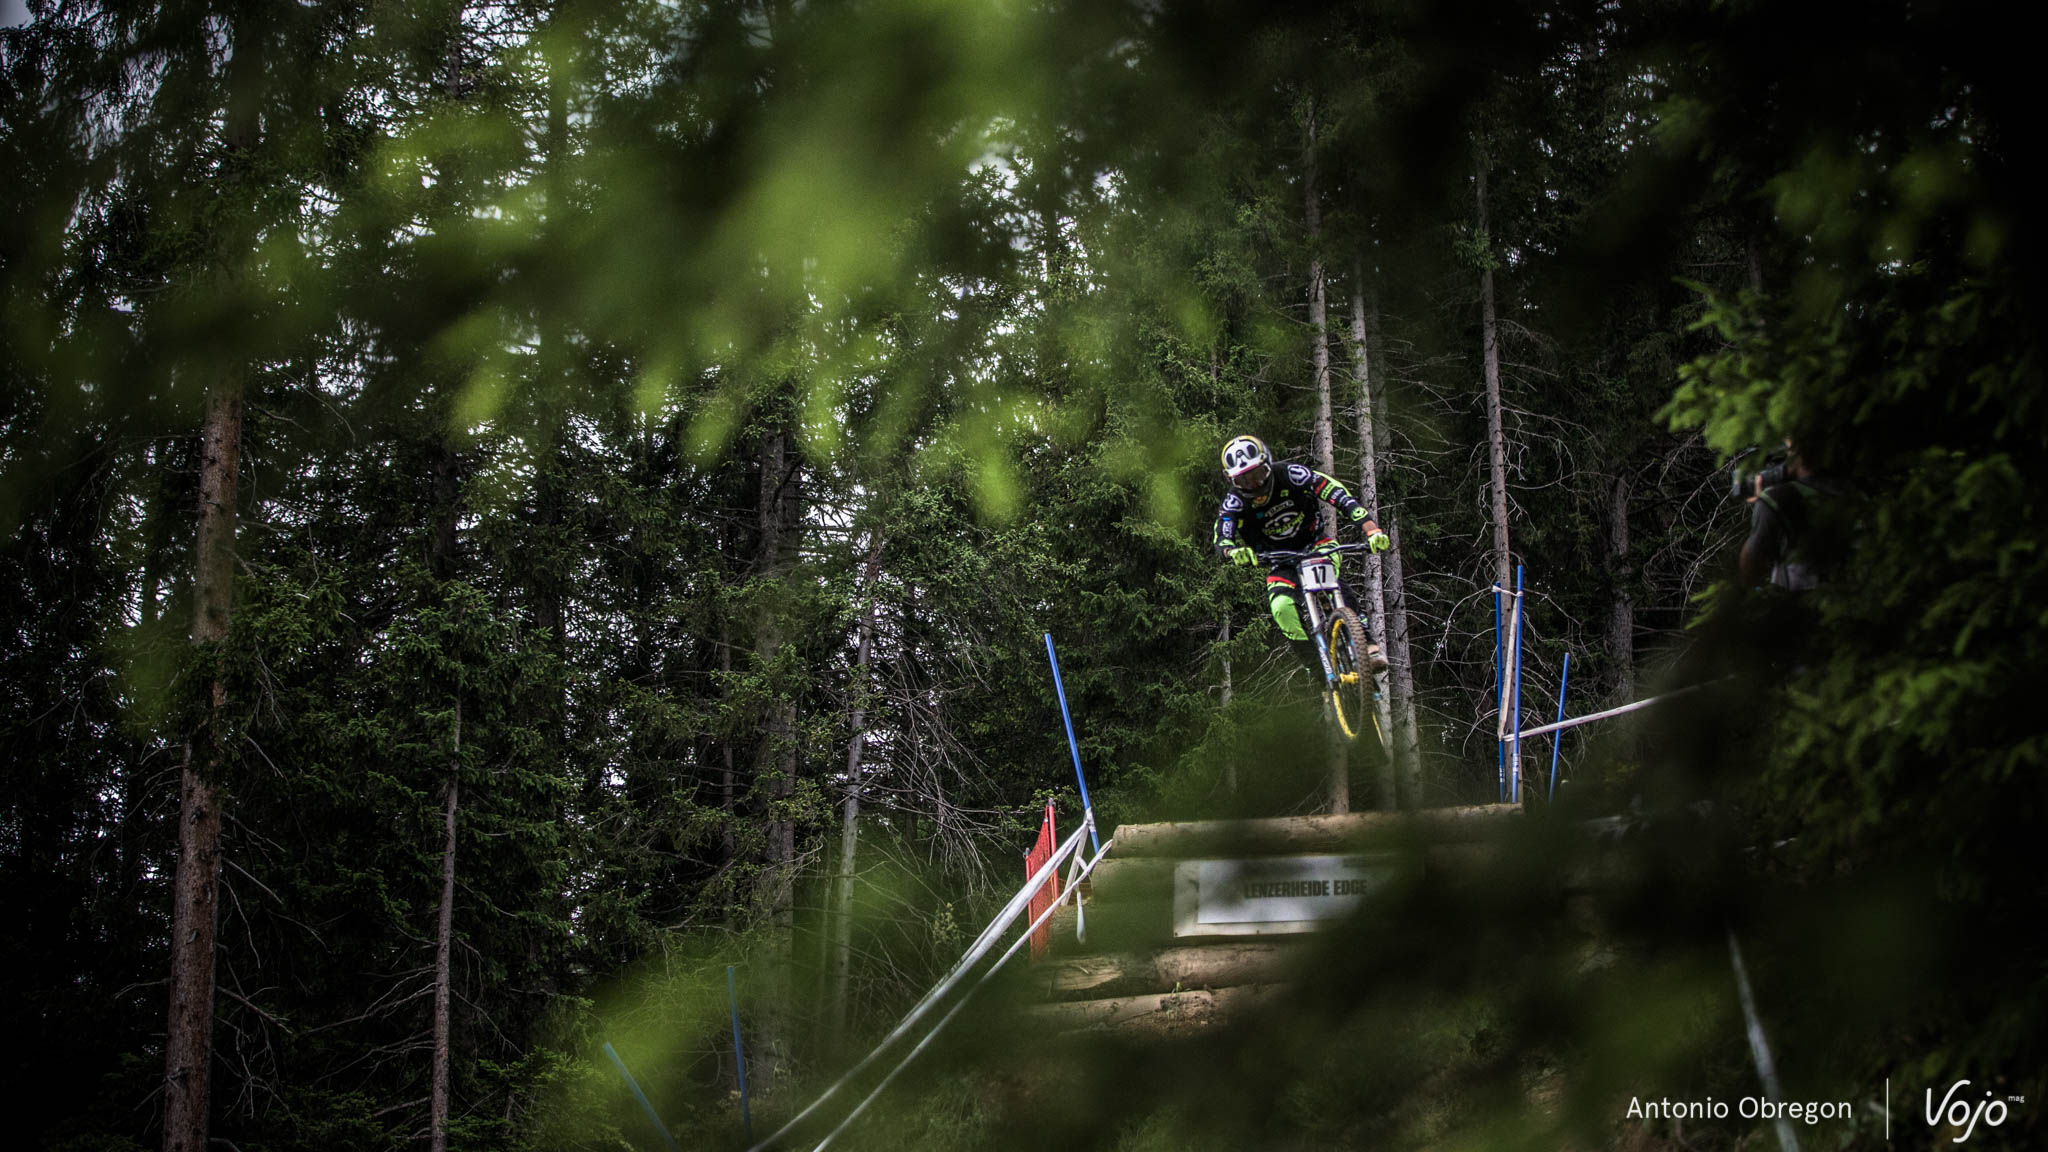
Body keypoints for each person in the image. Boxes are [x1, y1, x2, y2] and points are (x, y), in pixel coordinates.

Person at [1213, 434, 1391, 671]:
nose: (1254, 485)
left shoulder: (1290, 474)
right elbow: (1222, 537)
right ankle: (1319, 674)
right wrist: (1232, 552)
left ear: (1267, 464)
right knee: (1281, 609)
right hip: (1278, 561)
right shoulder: (1233, 502)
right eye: (1244, 481)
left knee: (1329, 573)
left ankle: (1367, 644)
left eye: (1256, 475)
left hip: (1316, 544)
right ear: (1231, 480)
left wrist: (1371, 530)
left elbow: (1335, 492)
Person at [1738, 441, 1850, 592]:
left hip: (1798, 600)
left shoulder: (1778, 498)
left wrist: (1763, 504)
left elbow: (1751, 566)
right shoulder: (1849, 490)